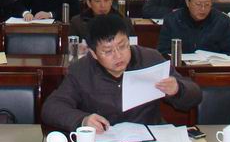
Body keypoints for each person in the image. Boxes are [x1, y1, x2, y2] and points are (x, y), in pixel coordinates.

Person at [41, 13, 201, 132]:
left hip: (150, 140)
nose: (118, 55)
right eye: (108, 51)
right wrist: (83, 120)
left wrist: (178, 89)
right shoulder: (81, 70)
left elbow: (195, 95)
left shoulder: (150, 59)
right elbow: (51, 107)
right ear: (94, 54)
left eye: (123, 46)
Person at [157, 0, 230, 56]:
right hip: (181, 66)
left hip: (212, 66)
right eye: (198, 4)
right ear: (187, 2)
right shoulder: (172, 21)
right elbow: (163, 52)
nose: (203, 9)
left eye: (207, 4)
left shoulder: (222, 21)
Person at [69, 0, 134, 40]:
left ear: (111, 1)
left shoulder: (124, 22)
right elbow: (70, 47)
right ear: (89, 3)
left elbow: (133, 47)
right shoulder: (78, 23)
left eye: (106, 0)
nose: (102, 5)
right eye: (97, 1)